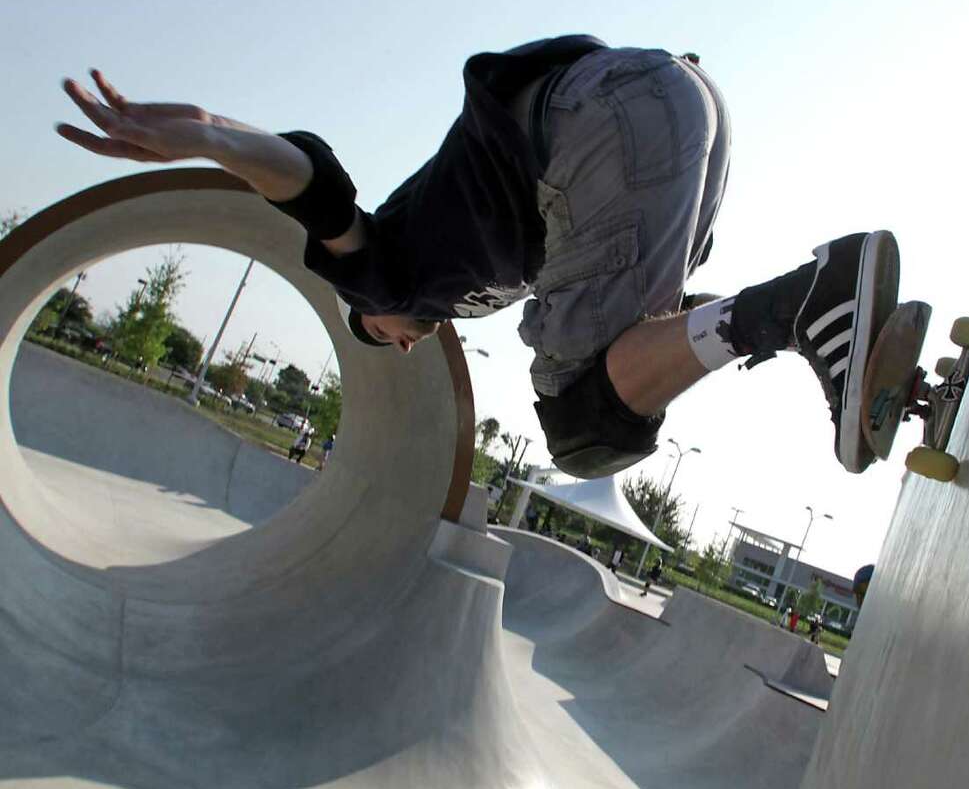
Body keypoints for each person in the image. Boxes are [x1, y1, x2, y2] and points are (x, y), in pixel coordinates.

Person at [55, 51, 901, 481]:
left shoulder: (394, 278)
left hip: (598, 119)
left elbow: (317, 188)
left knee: (580, 428)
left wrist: (212, 135)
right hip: (673, 100)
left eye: (382, 338)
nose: (402, 341)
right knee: (634, 346)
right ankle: (830, 324)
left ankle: (802, 306)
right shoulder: (463, 276)